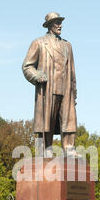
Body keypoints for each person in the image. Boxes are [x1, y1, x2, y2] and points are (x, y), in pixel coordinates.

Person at [22, 12, 77, 157]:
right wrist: (37, 76)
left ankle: (69, 149)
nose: (59, 25)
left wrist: (74, 93)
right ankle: (45, 150)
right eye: (56, 22)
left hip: (65, 89)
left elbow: (72, 72)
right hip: (48, 88)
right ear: (49, 26)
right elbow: (27, 66)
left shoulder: (67, 45)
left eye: (60, 22)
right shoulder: (39, 43)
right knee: (46, 122)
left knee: (69, 121)